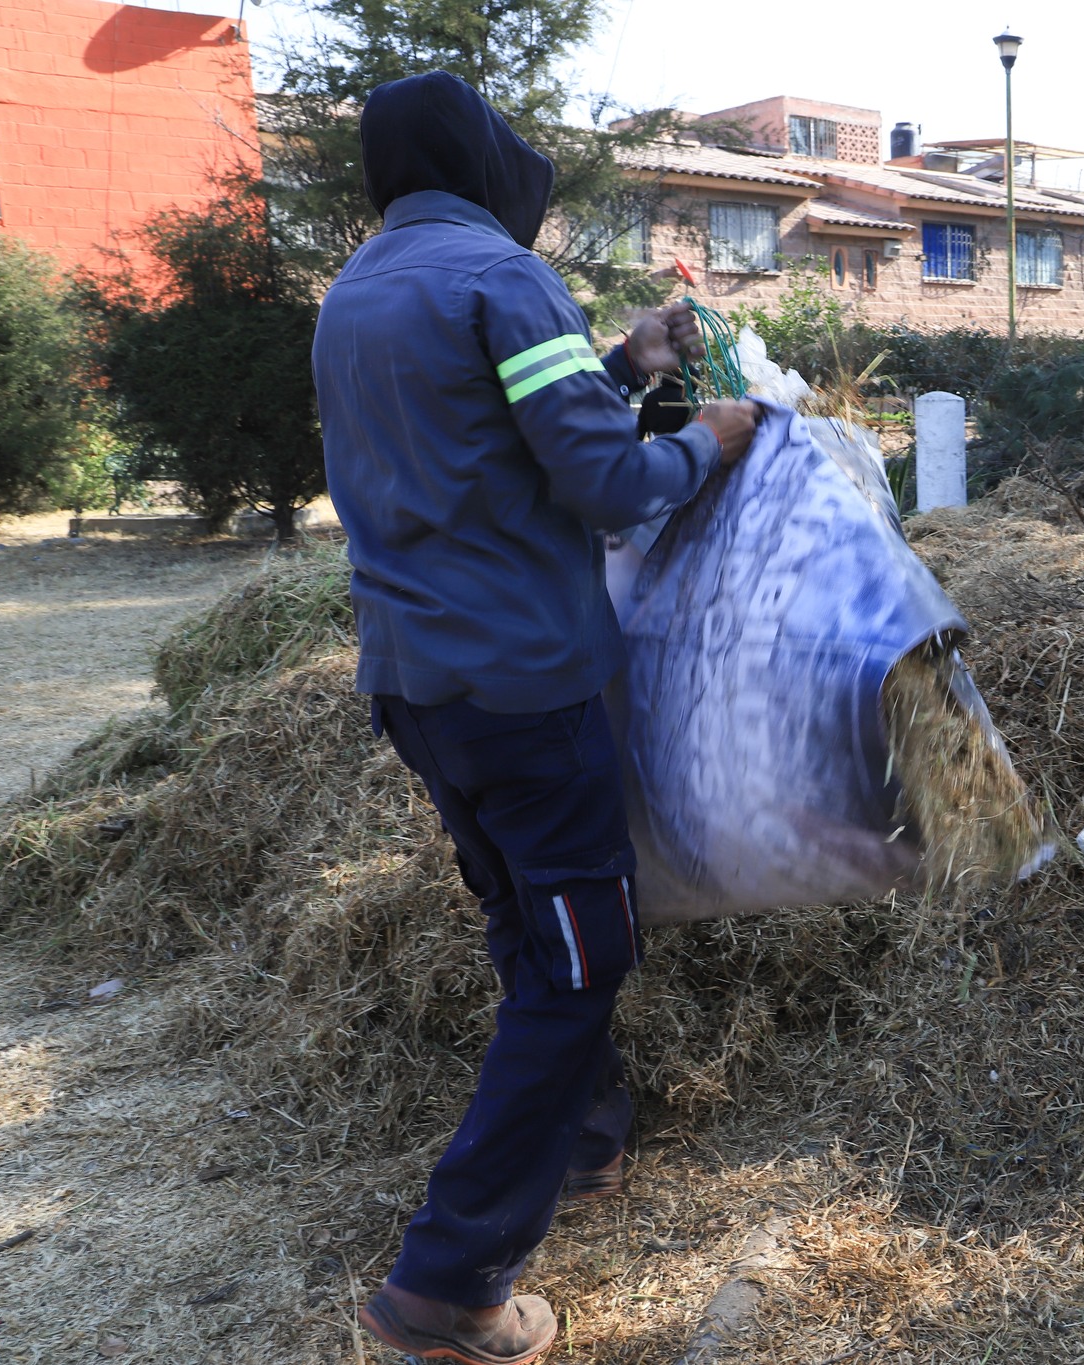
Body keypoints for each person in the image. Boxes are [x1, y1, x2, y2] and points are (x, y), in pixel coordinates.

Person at [312, 71, 759, 1365]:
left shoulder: (362, 288)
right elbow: (607, 483)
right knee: (582, 958)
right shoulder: (501, 279)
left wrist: (625, 360)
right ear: (486, 158)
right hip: (526, 687)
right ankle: (451, 1281)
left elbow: (487, 441)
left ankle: (581, 1140)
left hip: (419, 687)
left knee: (526, 927)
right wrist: (710, 437)